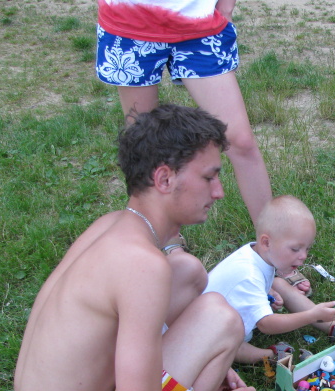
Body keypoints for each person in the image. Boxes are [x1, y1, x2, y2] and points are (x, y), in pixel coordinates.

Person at [13, 104, 268, 391]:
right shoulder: (142, 267)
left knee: (187, 272)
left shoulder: (113, 225)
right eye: (209, 177)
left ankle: (191, 383)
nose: (219, 191)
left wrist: (204, 364)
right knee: (221, 319)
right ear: (164, 179)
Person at [95, 0, 314, 295]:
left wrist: (225, 5)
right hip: (131, 21)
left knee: (240, 141)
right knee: (145, 146)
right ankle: (165, 239)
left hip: (198, 23)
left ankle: (272, 250)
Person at [204, 195, 335, 364]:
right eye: (295, 249)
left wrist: (269, 290)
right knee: (227, 344)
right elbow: (267, 324)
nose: (303, 256)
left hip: (230, 319)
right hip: (210, 335)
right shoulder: (249, 276)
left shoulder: (256, 254)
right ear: (266, 243)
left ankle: (332, 326)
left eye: (307, 249)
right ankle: (270, 356)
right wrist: (310, 316)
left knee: (278, 283)